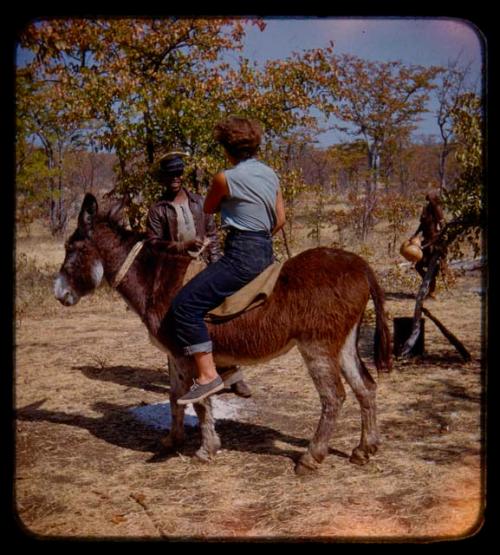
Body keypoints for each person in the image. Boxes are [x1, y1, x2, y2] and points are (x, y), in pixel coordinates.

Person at [167, 116, 286, 405]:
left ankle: (208, 375)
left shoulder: (225, 178)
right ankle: (227, 365)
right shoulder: (271, 175)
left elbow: (208, 207)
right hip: (265, 250)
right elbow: (280, 219)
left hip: (240, 254)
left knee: (185, 306)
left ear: (225, 148)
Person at [146, 151, 252, 398]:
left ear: (182, 175)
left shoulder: (198, 202)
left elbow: (212, 235)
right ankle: (188, 375)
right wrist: (181, 247)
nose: (174, 178)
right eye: (169, 174)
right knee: (175, 324)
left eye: (178, 173)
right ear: (163, 178)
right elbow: (152, 244)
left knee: (219, 320)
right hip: (174, 275)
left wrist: (216, 265)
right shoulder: (158, 210)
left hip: (203, 268)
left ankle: (233, 375)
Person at [410, 190, 447, 299]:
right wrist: (415, 235)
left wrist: (440, 241)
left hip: (434, 243)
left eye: (430, 199)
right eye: (428, 200)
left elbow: (442, 227)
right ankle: (428, 285)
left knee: (432, 268)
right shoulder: (426, 210)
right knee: (418, 266)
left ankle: (431, 292)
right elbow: (422, 225)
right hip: (426, 241)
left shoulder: (438, 209)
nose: (429, 201)